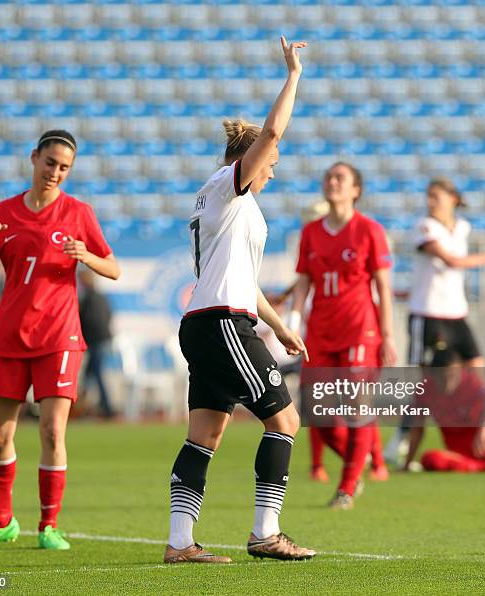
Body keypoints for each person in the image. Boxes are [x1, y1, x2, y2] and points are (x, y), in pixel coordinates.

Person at [165, 37, 315, 564]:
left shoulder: (220, 203)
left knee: (204, 433)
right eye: (271, 161)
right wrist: (293, 75)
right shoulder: (231, 189)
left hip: (207, 323)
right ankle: (265, 533)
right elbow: (273, 130)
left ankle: (180, 543)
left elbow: (241, 280)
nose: (273, 168)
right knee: (287, 422)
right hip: (224, 325)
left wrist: (279, 325)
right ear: (248, 158)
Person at [0, 130, 120, 550]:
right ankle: (1, 522)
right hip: (10, 337)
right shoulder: (4, 212)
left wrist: (87, 256)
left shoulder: (79, 213)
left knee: (51, 432)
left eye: (64, 168)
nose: (56, 173)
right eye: (50, 163)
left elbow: (114, 268)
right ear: (34, 158)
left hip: (59, 337)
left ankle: (49, 526)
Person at [291, 162, 397, 510]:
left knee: (356, 407)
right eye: (328, 177)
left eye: (340, 178)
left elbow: (383, 286)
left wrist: (388, 336)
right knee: (314, 410)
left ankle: (347, 486)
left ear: (356, 189)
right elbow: (304, 281)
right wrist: (293, 322)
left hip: (359, 331)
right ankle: (361, 457)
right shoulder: (311, 233)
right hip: (319, 331)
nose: (332, 182)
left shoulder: (369, 230)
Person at [384, 178, 485, 464]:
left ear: (452, 198)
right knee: (425, 386)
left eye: (435, 196)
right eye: (428, 196)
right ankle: (401, 440)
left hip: (456, 314)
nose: (430, 202)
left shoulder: (462, 227)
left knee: (479, 378)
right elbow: (450, 261)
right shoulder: (424, 227)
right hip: (428, 315)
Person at [402, 348, 485, 475]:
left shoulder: (470, 381)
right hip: (457, 446)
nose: (448, 384)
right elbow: (417, 429)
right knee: (430, 459)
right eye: (442, 378)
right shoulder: (424, 390)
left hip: (483, 440)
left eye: (452, 377)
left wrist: (484, 431)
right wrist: (407, 464)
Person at [78, 268, 115, 418]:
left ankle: (100, 408)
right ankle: (98, 407)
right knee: (93, 375)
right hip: (103, 340)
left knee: (93, 376)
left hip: (96, 342)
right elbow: (108, 316)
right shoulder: (101, 297)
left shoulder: (88, 299)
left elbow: (87, 321)